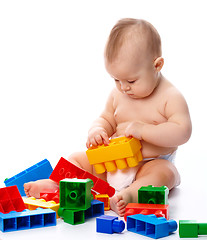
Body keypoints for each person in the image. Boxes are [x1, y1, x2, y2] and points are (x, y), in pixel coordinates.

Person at [24, 18, 192, 217]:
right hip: (109, 164)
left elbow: (182, 132)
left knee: (166, 173)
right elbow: (106, 118)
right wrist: (97, 130)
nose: (123, 87)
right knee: (78, 158)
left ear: (157, 65)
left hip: (147, 164)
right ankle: (59, 185)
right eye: (116, 79)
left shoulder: (170, 97)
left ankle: (131, 194)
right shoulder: (118, 93)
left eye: (131, 80)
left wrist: (145, 131)